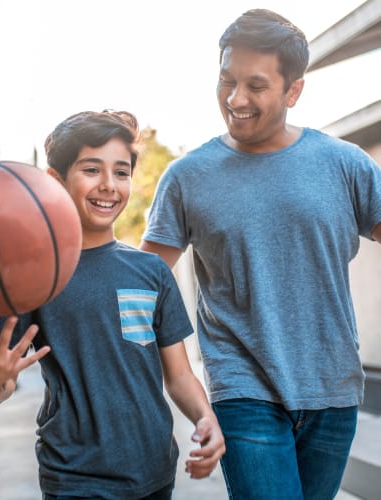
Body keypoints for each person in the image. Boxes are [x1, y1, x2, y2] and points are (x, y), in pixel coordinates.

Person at [140, 9, 381, 500]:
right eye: (226, 81)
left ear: (294, 91)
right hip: (241, 388)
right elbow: (144, 283)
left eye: (255, 85)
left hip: (332, 388)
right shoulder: (187, 178)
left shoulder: (346, 165)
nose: (235, 99)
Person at [0, 110, 225, 499]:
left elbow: (178, 375)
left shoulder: (151, 272)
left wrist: (205, 416)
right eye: (92, 170)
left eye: (122, 172)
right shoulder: (32, 277)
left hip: (155, 472)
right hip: (75, 477)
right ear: (55, 181)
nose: (109, 185)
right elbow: (3, 380)